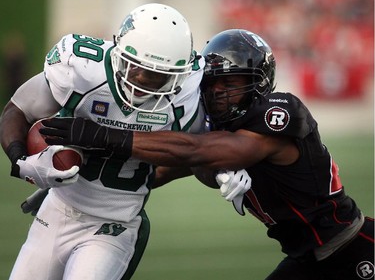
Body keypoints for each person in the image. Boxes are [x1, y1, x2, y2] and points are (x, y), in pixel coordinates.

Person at [40, 29, 374, 280]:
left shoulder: (280, 112)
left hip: (351, 246)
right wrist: (77, 185)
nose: (218, 93)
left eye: (230, 83)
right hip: (305, 258)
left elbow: (198, 150)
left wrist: (102, 135)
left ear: (258, 81)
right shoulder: (219, 128)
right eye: (212, 85)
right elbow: (163, 170)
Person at [0, 3, 207, 280]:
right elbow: (18, 109)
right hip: (58, 209)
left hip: (114, 225)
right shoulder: (83, 70)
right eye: (138, 68)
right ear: (118, 50)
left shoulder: (183, 96)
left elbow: (197, 153)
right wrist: (21, 159)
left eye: (160, 75)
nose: (145, 81)